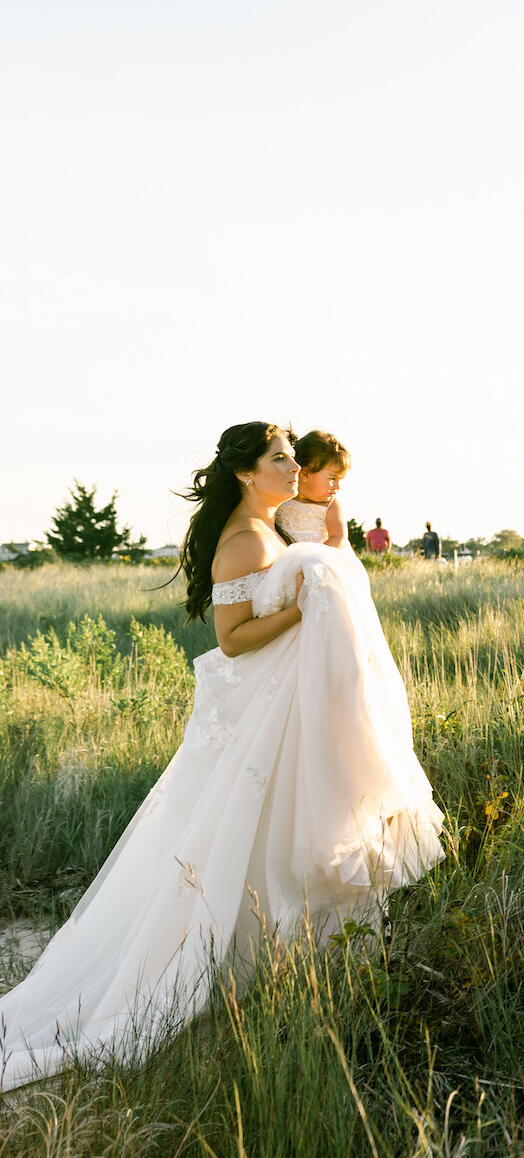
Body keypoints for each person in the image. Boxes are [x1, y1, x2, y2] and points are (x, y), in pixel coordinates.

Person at [0, 422, 444, 1089]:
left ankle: (280, 976)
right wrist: (306, 607)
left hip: (286, 713)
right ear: (245, 472)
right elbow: (234, 640)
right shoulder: (243, 542)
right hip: (258, 719)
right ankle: (218, 974)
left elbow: (334, 536)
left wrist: (329, 536)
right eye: (280, 459)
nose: (294, 469)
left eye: (294, 459)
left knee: (275, 838)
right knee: (239, 841)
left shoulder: (278, 527)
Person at [276, 429, 351, 549]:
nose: (337, 486)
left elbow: (338, 538)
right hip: (285, 559)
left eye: (339, 480)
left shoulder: (331, 505)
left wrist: (313, 557)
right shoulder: (283, 499)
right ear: (305, 474)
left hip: (319, 559)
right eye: (332, 479)